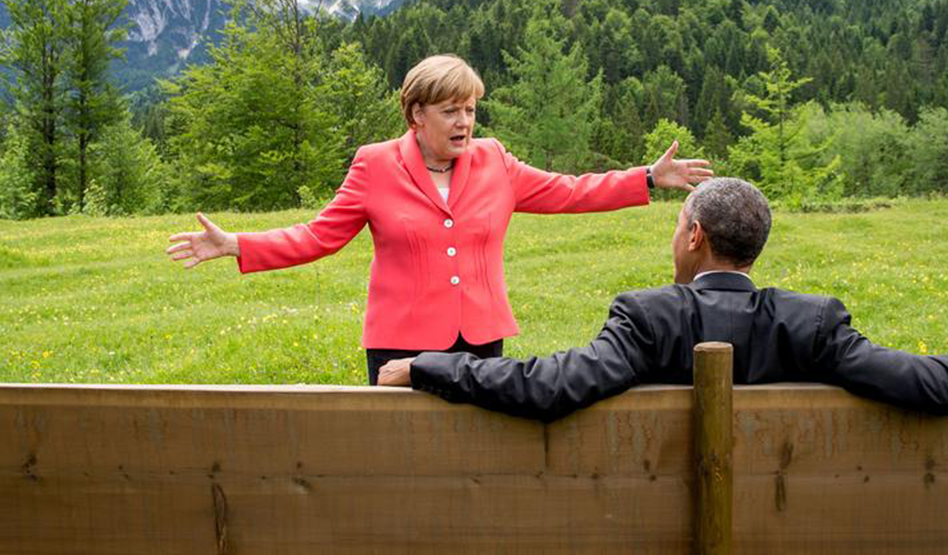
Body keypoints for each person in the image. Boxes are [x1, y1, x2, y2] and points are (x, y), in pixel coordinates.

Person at [166, 54, 712, 384]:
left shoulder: (495, 160)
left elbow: (567, 191)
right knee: (401, 461)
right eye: (451, 111)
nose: (464, 122)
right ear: (416, 114)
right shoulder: (374, 165)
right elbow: (318, 236)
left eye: (470, 110)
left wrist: (644, 177)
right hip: (400, 341)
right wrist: (238, 243)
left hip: (479, 338)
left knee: (475, 456)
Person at [377, 177, 948, 421]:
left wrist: (430, 366)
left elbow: (551, 386)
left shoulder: (647, 317)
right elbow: (930, 382)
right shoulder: (812, 322)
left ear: (692, 235)